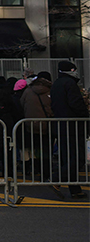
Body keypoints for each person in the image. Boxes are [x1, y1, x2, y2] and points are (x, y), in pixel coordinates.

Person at [49, 61, 89, 199]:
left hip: (61, 124)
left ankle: (75, 189)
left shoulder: (56, 84)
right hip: (73, 125)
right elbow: (76, 104)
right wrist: (86, 115)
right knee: (78, 157)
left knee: (68, 157)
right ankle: (56, 179)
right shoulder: (70, 84)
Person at [19, 71, 53, 178]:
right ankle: (46, 174)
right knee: (46, 149)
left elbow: (22, 104)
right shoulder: (51, 90)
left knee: (36, 148)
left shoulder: (28, 91)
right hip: (48, 124)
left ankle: (37, 170)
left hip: (31, 124)